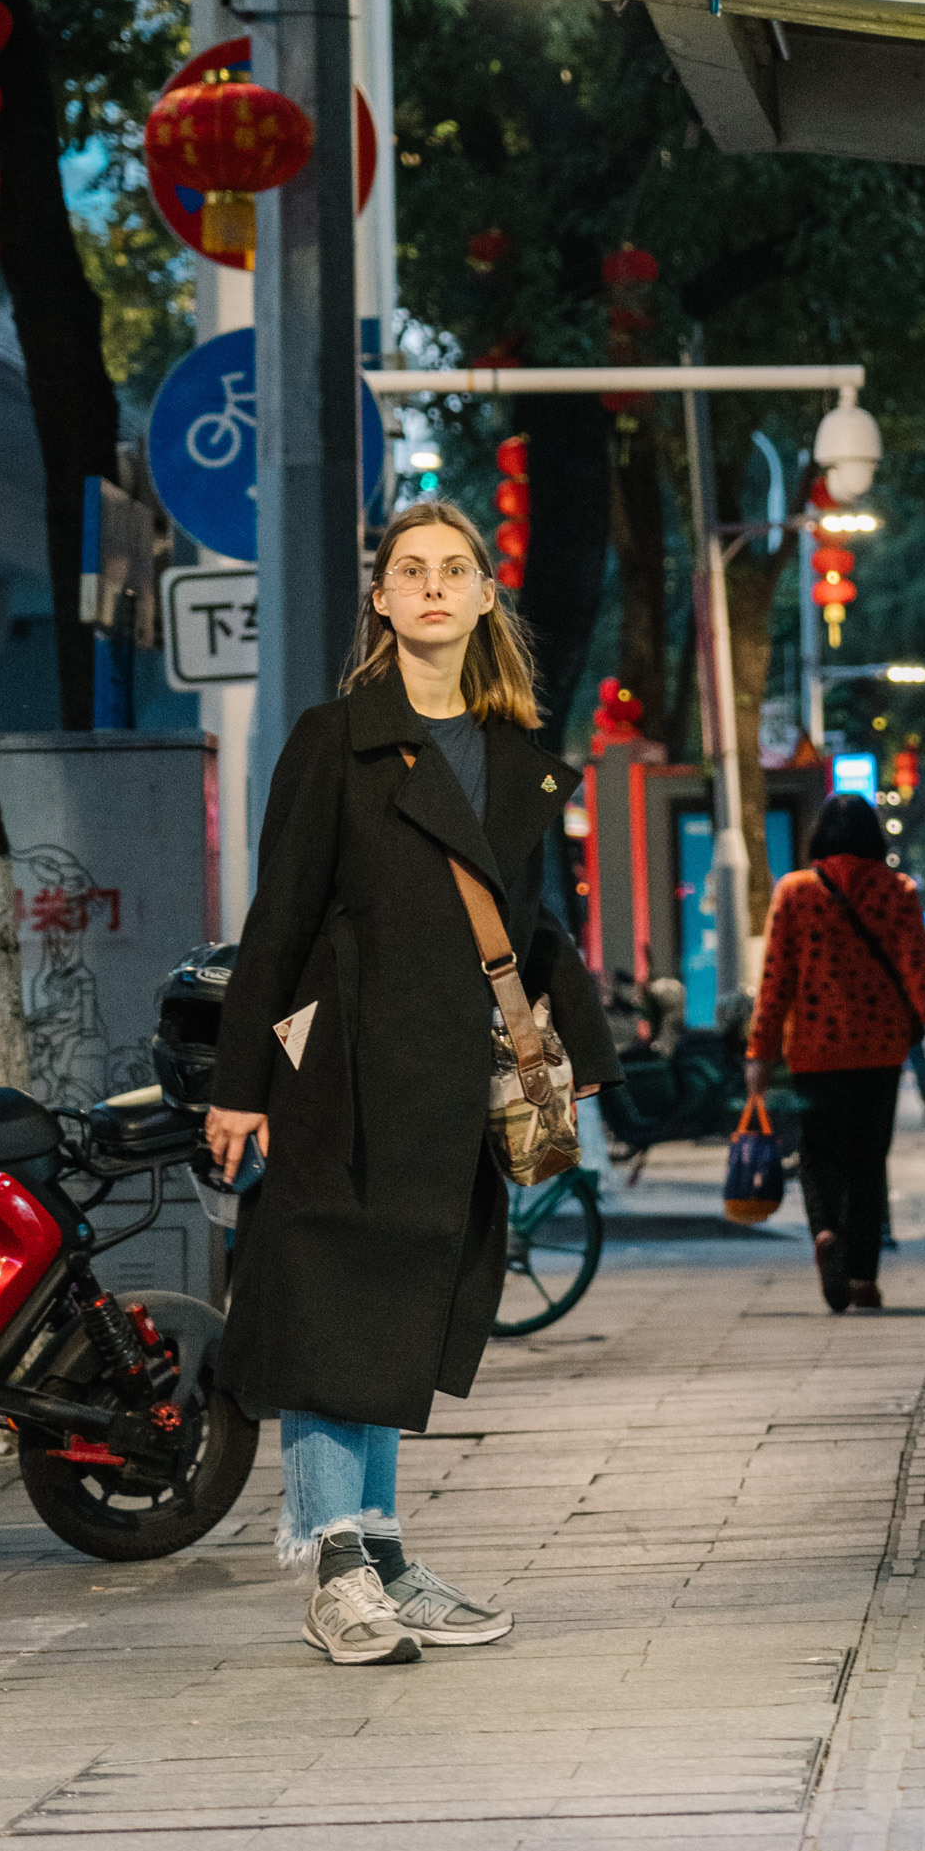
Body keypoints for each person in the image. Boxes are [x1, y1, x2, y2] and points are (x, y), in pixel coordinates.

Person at [203, 498, 619, 1667]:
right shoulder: (333, 738)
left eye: (455, 568)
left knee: (398, 1306)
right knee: (337, 1301)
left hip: (452, 1086)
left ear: (487, 596)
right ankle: (333, 1563)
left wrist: (574, 1060)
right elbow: (274, 919)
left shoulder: (520, 760)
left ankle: (380, 1549)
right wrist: (240, 1085)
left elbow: (531, 935)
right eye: (409, 570)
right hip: (338, 1076)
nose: (432, 585)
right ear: (381, 600)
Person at [750, 798, 925, 1313]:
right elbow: (921, 973)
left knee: (819, 1156)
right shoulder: (897, 892)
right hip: (879, 1052)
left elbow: (775, 980)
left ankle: (826, 1233)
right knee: (869, 1163)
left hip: (813, 1051)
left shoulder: (795, 892)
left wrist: (760, 1051)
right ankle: (863, 1279)